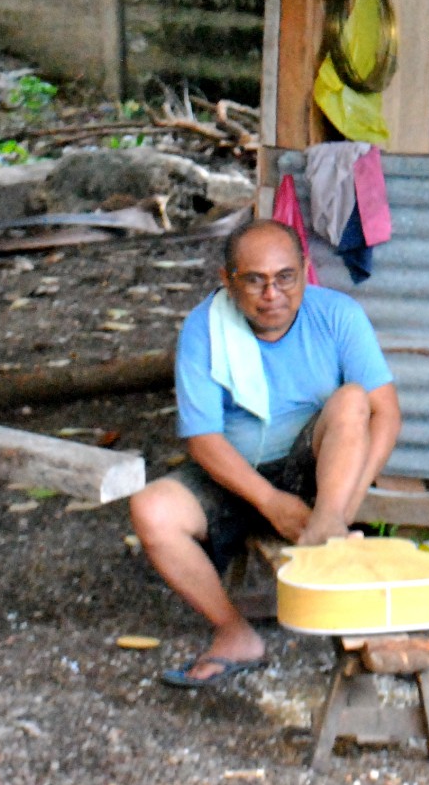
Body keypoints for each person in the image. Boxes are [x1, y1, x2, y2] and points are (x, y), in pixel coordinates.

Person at [129, 217, 401, 687]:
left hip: (316, 476)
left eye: (284, 278)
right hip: (235, 475)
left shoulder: (338, 316)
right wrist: (271, 503)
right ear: (227, 282)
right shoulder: (203, 328)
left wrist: (340, 508)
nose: (271, 293)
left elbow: (386, 414)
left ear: (305, 270)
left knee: (353, 400)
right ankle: (234, 633)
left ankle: (328, 533)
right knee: (150, 510)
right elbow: (203, 439)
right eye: (254, 280)